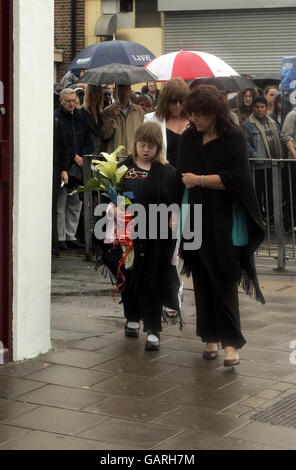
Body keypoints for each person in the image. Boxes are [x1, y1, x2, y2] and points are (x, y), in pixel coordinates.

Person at [177, 85, 265, 367]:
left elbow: (237, 179)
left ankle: (231, 344)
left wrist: (201, 180)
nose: (194, 119)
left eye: (199, 114)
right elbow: (182, 175)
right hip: (195, 216)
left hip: (226, 218)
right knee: (201, 279)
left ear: (215, 112)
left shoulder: (234, 137)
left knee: (224, 279)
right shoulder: (189, 137)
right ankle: (210, 337)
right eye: (191, 114)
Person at [101, 122, 180, 350]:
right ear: (135, 144)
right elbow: (108, 199)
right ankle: (132, 317)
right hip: (127, 235)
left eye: (151, 146)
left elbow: (174, 203)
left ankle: (153, 328)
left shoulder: (167, 171)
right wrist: (113, 210)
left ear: (158, 148)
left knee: (153, 279)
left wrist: (172, 219)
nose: (146, 150)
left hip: (157, 237)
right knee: (128, 278)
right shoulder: (122, 168)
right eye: (142, 145)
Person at [54, 88, 94, 250]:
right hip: (65, 165)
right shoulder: (56, 117)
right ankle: (61, 237)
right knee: (61, 203)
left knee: (75, 203)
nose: (71, 103)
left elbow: (88, 138)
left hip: (80, 166)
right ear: (61, 101)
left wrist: (84, 156)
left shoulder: (80, 116)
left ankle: (71, 235)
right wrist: (73, 156)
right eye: (68, 101)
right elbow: (60, 143)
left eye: (73, 100)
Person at [242, 96, 282, 221]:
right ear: (253, 108)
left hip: (273, 165)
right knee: (258, 194)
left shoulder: (273, 123)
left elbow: (279, 140)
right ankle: (259, 219)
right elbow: (247, 146)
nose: (260, 110)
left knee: (272, 193)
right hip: (258, 166)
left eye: (262, 107)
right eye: (257, 107)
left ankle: (271, 218)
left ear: (266, 108)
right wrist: (259, 159)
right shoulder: (247, 125)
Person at [144, 77, 190, 167]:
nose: (178, 105)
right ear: (165, 101)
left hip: (189, 177)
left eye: (181, 101)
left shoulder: (194, 120)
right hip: (160, 176)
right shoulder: (152, 120)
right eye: (173, 101)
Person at [101, 84, 144, 157]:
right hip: (115, 158)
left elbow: (142, 136)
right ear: (115, 92)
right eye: (120, 90)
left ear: (130, 91)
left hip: (133, 157)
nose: (123, 93)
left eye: (126, 90)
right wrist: (112, 117)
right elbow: (105, 135)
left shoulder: (138, 111)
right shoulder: (107, 112)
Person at [52, 118, 69, 256]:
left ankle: (53, 244)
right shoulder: (56, 121)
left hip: (54, 169)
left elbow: (63, 148)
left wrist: (63, 169)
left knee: (53, 207)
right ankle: (53, 244)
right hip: (52, 168)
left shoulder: (56, 122)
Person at [79, 84, 104, 156]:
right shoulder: (81, 112)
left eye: (99, 91)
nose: (98, 94)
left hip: (99, 152)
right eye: (95, 91)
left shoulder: (100, 112)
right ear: (89, 93)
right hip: (87, 153)